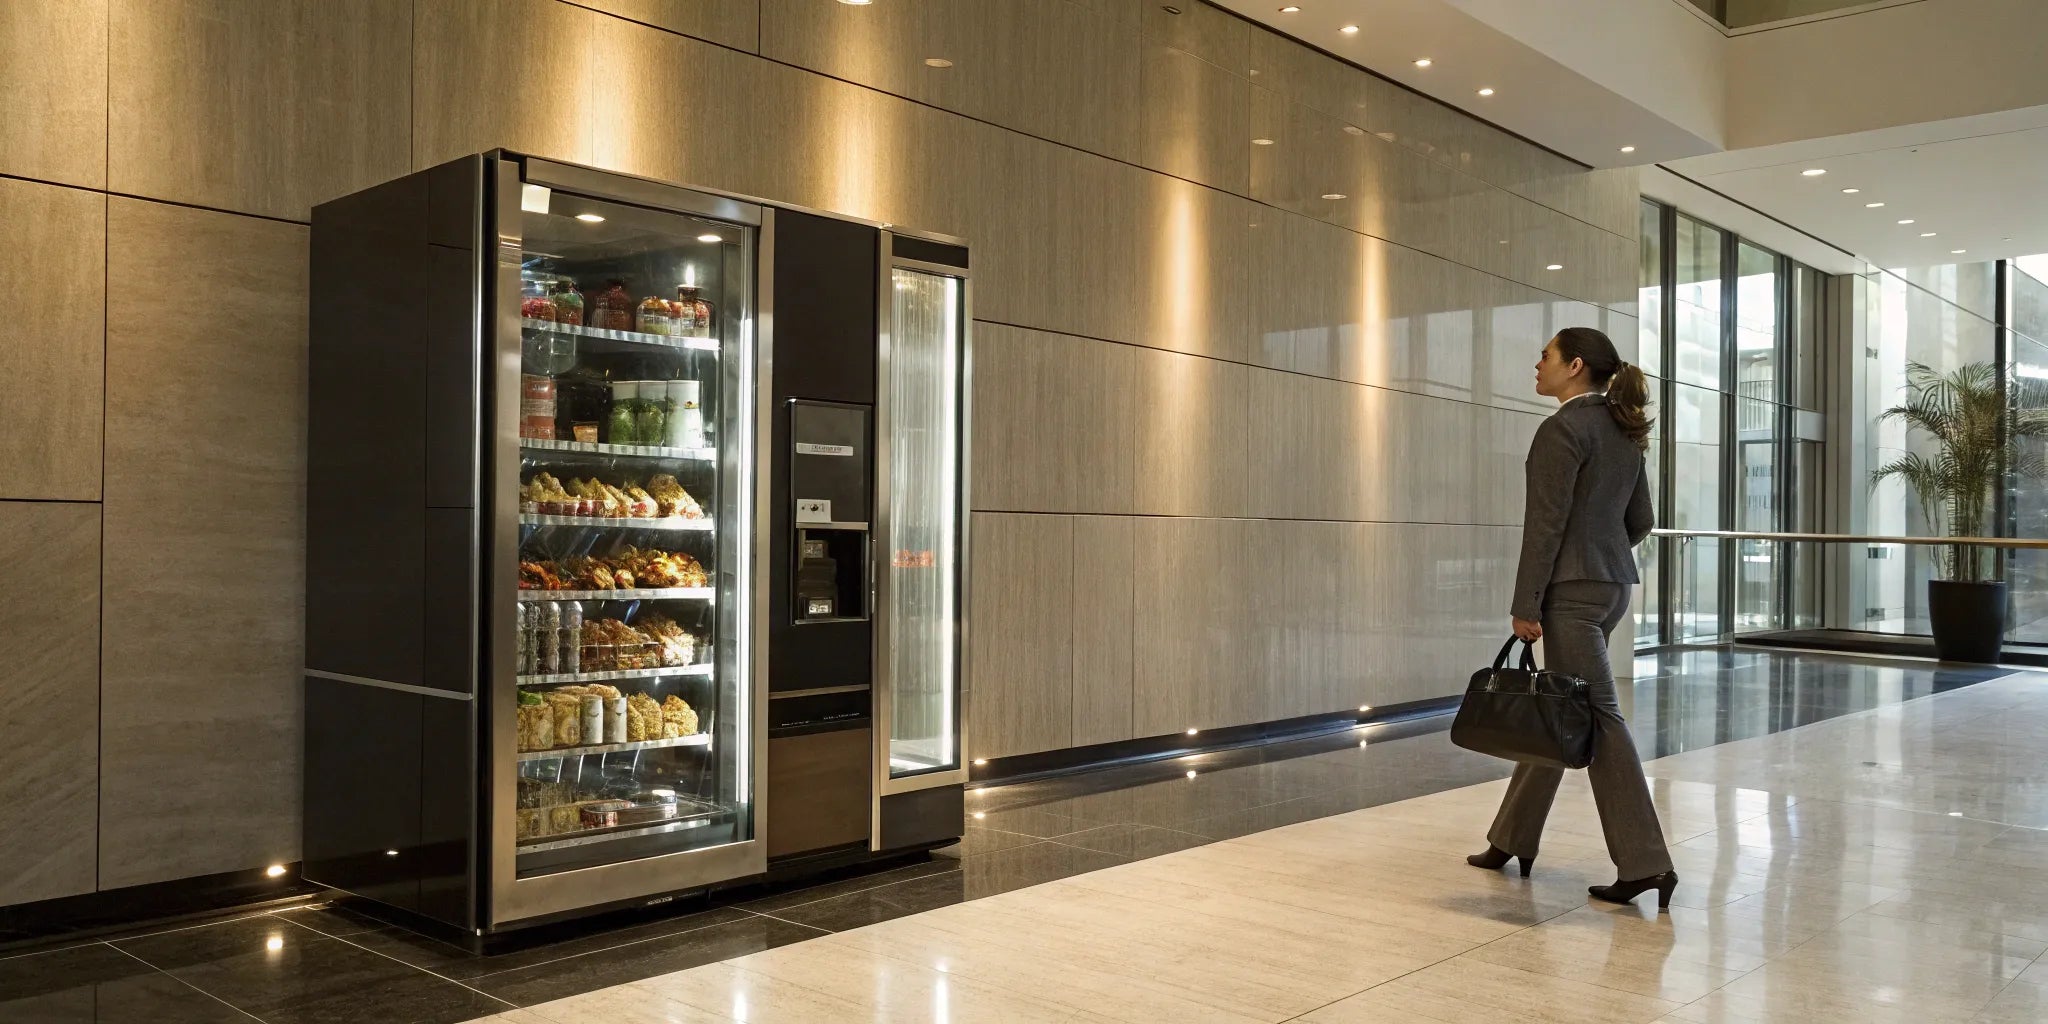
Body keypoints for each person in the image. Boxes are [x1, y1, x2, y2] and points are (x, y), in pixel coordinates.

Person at [1465, 326, 1679, 911]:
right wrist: (1602, 555)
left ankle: (1646, 864)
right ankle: (1511, 838)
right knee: (1562, 706)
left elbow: (1545, 526)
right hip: (1611, 588)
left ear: (1575, 366)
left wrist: (1525, 604)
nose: (1537, 365)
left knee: (1599, 719)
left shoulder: (1562, 429)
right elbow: (1641, 520)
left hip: (1570, 595)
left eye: (1545, 356)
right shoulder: (1623, 429)